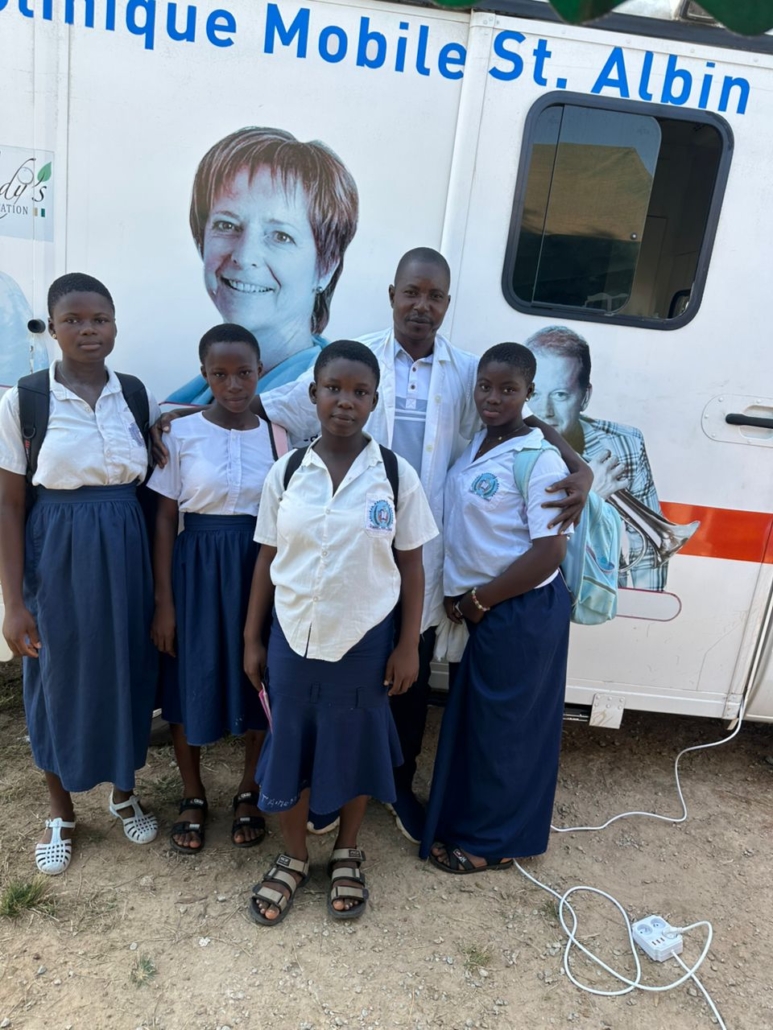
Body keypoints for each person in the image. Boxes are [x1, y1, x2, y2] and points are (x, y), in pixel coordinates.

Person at [253, 248, 592, 841]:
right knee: (343, 676)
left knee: (406, 679)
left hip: (421, 552)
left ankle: (397, 786)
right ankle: (330, 788)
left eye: (434, 296)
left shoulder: (468, 372)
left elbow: (523, 419)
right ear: (392, 294)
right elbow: (268, 405)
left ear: (446, 304)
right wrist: (181, 416)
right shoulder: (357, 361)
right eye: (411, 292)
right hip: (352, 549)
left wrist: (576, 465)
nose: (421, 306)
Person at [243, 340, 437, 925]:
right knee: (291, 746)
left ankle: (347, 850)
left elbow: (412, 566)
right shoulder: (287, 471)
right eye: (334, 388)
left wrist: (408, 645)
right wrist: (252, 638)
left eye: (359, 392)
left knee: (353, 747)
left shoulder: (396, 476)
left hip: (364, 642)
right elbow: (266, 558)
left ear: (375, 401)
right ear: (314, 394)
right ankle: (295, 855)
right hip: (292, 638)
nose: (345, 401)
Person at [0, 272, 159, 875]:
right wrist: (14, 603)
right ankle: (61, 812)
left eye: (100, 319)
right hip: (57, 551)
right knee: (54, 676)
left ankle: (124, 793)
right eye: (73, 320)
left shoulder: (134, 395)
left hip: (126, 549)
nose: (88, 330)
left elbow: (154, 465)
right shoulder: (26, 401)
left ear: (115, 325)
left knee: (126, 669)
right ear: (52, 328)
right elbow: (9, 504)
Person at [420, 342, 572, 872]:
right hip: (489, 609)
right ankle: (474, 824)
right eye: (485, 386)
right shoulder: (478, 445)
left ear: (528, 393)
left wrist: (479, 600)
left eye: (508, 389)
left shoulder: (537, 457)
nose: (493, 397)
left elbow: (549, 551)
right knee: (482, 726)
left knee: (507, 731)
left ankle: (492, 846)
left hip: (521, 608)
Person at [148, 324, 285, 854]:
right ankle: (193, 792)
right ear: (204, 374)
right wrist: (164, 600)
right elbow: (165, 518)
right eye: (220, 374)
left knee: (258, 676)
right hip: (197, 569)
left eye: (244, 372)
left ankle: (249, 789)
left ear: (259, 372)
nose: (233, 384)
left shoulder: (277, 437)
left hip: (258, 566)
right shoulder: (180, 434)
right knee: (191, 675)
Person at [166, 126, 359, 405]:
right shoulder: (188, 400)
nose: (244, 256)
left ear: (326, 266)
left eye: (281, 236)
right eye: (227, 225)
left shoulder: (323, 413)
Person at [524, 325, 668, 590]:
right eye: (534, 394)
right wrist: (591, 499)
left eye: (560, 395)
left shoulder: (625, 444)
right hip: (532, 587)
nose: (545, 410)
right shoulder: (505, 447)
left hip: (600, 589)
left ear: (585, 397)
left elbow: (648, 549)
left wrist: (647, 604)